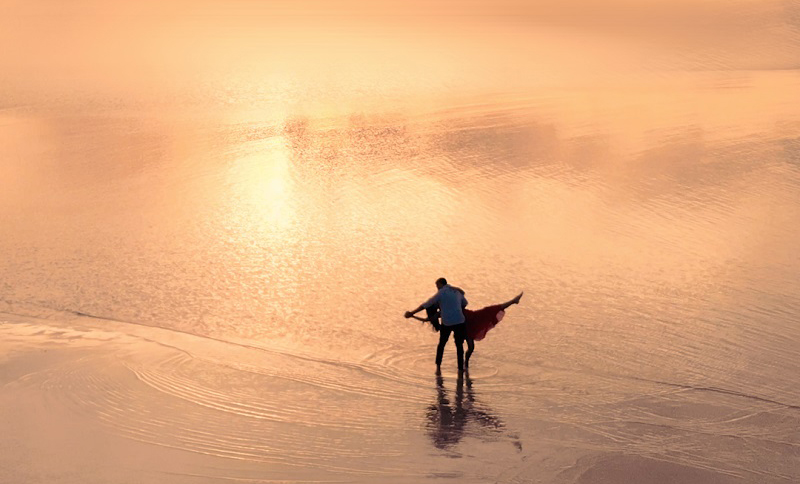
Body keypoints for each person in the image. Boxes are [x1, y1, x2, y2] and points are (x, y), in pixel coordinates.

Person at [410, 290, 523, 369]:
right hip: (465, 326)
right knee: (469, 346)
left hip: (472, 317)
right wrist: (413, 316)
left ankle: (513, 301)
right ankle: (459, 365)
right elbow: (428, 319)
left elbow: (462, 300)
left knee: (490, 310)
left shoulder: (451, 304)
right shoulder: (443, 312)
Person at [405, 278, 469, 371]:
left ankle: (438, 366)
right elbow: (465, 303)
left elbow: (426, 304)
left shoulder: (441, 292)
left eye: (437, 286)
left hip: (447, 322)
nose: (437, 288)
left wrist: (412, 313)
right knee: (459, 345)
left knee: (442, 344)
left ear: (440, 284)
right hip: (460, 321)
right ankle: (460, 368)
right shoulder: (457, 291)